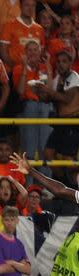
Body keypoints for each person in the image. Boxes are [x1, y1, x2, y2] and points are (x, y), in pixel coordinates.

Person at [34, 51, 79, 183]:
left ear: (70, 63)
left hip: (73, 122)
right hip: (60, 123)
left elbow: (66, 99)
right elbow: (48, 99)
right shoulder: (57, 79)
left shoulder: (74, 77)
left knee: (67, 159)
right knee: (48, 154)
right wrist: (39, 91)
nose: (61, 65)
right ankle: (63, 182)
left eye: (64, 61)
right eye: (58, 62)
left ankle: (75, 185)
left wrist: (47, 90)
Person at [12, 41, 53, 163]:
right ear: (25, 52)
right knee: (29, 147)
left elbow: (50, 90)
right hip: (28, 107)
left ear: (40, 52)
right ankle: (28, 180)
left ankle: (45, 180)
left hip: (44, 106)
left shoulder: (45, 67)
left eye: (36, 50)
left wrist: (48, 65)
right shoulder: (18, 68)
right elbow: (20, 91)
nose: (33, 53)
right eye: (29, 50)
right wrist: (25, 68)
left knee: (45, 146)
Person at [0, 206, 30, 276]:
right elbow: (0, 269)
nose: (9, 223)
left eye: (12, 220)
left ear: (17, 221)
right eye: (7, 220)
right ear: (2, 221)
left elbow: (28, 270)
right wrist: (20, 266)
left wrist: (12, 263)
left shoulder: (19, 244)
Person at [0, 0, 44, 70]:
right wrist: (16, 68)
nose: (30, 8)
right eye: (27, 5)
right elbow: (3, 53)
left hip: (34, 72)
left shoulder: (40, 29)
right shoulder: (9, 25)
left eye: (33, 5)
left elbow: (41, 52)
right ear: (20, 6)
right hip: (13, 71)